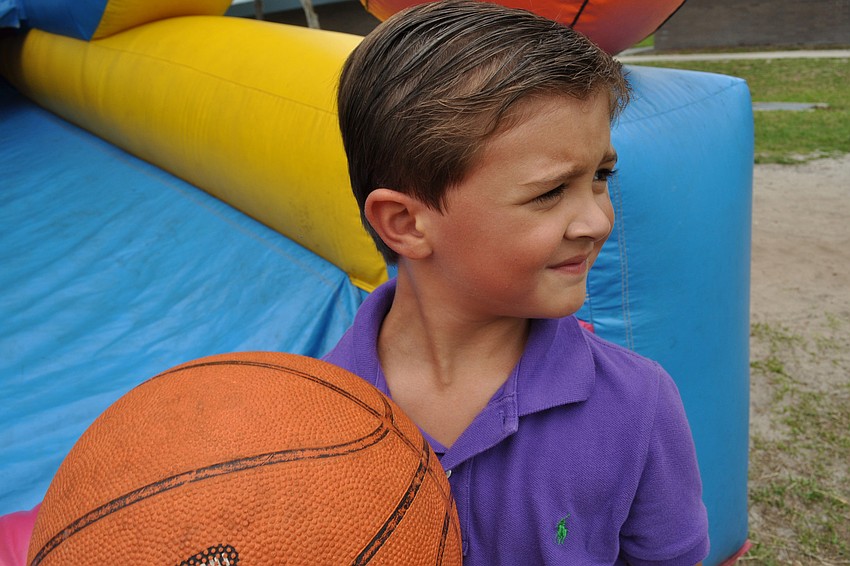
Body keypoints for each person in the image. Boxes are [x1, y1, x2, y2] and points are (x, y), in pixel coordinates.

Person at [323, 1, 710, 564]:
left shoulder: (638, 403)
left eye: (600, 176)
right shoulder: (309, 414)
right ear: (406, 223)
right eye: (550, 192)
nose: (598, 221)